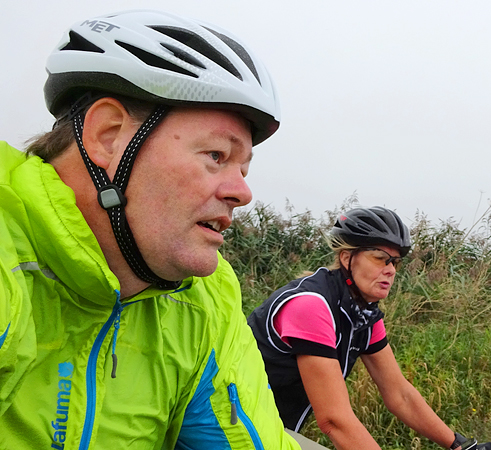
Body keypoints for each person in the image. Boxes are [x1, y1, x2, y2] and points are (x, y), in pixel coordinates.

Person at [0, 10, 300, 449]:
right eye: (216, 155)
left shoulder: (204, 298)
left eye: (243, 168)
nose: (242, 192)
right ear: (108, 135)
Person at [247, 207, 491, 450]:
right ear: (346, 258)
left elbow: (400, 395)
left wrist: (460, 445)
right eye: (380, 258)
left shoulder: (364, 315)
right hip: (234, 424)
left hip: (266, 428)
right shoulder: (311, 306)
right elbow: (334, 420)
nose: (391, 270)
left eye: (395, 262)